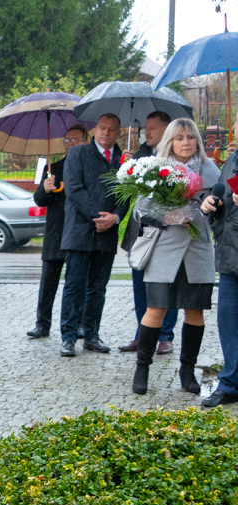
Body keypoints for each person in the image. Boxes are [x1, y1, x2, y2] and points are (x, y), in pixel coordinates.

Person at [131, 118, 219, 395]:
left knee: (194, 310)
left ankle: (187, 371)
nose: (186, 143)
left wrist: (208, 207)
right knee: (156, 309)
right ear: (170, 140)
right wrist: (165, 215)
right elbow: (139, 211)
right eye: (180, 137)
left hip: (197, 247)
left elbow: (220, 205)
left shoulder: (210, 170)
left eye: (191, 137)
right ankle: (142, 367)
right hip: (165, 247)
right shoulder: (155, 169)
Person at [58, 113, 128, 357]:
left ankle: (91, 334)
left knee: (98, 288)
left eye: (111, 130)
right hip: (79, 231)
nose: (105, 133)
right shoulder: (77, 154)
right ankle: (68, 337)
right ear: (95, 130)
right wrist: (98, 216)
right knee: (74, 286)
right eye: (102, 128)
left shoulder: (123, 161)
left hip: (106, 235)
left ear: (118, 133)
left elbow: (125, 195)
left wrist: (115, 218)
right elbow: (74, 190)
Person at [118, 111, 179, 355]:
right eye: (146, 128)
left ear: (167, 129)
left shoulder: (174, 157)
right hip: (140, 231)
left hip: (165, 232)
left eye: (153, 127)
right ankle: (142, 335)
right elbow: (128, 192)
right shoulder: (141, 154)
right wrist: (128, 168)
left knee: (165, 284)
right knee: (139, 284)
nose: (148, 132)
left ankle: (165, 335)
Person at [26, 124, 87, 339]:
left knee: (78, 281)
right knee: (48, 281)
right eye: (68, 141)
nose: (71, 144)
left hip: (79, 232)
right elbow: (39, 199)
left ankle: (78, 323)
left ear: (85, 141)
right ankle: (42, 323)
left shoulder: (88, 167)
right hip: (55, 232)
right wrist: (45, 188)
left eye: (76, 140)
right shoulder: (53, 168)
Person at [202, 109, 238, 407]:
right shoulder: (231, 163)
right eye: (237, 121)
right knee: (228, 322)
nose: (237, 127)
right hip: (229, 257)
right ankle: (230, 382)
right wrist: (212, 206)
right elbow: (224, 207)